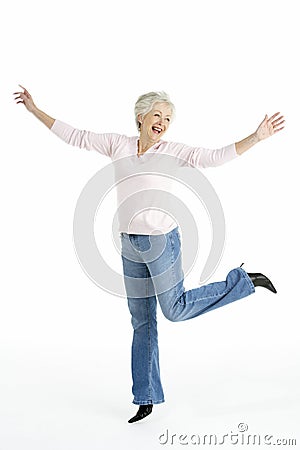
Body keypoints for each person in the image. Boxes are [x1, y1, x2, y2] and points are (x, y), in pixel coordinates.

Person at [14, 85, 284, 423]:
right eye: (157, 114)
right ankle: (145, 397)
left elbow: (215, 157)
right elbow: (77, 136)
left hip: (161, 243)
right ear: (140, 117)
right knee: (141, 321)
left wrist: (256, 137)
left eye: (168, 118)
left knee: (175, 309)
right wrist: (35, 110)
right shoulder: (118, 145)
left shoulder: (173, 151)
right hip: (129, 245)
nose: (163, 122)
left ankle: (243, 281)